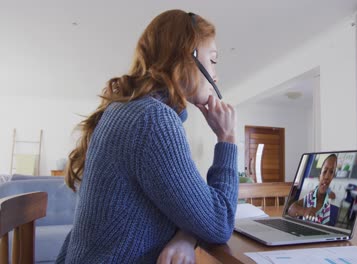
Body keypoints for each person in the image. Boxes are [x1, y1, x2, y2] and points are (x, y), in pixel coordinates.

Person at [56, 10, 238, 264]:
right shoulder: (153, 121)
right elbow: (220, 222)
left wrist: (186, 235)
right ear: (188, 56)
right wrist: (226, 138)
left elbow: (187, 206)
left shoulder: (131, 110)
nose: (216, 75)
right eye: (213, 60)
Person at [287, 154, 337, 225]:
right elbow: (290, 210)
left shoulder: (328, 204)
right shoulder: (310, 197)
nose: (327, 177)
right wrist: (304, 211)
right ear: (319, 176)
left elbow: (333, 196)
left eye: (331, 172)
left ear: (333, 177)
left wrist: (330, 194)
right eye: (325, 171)